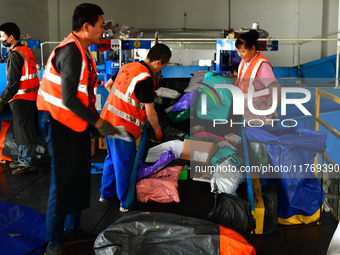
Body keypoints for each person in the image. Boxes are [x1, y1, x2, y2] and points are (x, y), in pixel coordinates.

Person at [37, 3, 118, 255]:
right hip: (58, 121)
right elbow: (70, 99)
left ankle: (72, 230)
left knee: (79, 177)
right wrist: (98, 123)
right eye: (101, 25)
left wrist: (91, 123)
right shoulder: (71, 52)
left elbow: (82, 96)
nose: (104, 30)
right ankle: (54, 243)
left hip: (73, 121)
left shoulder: (84, 52)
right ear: (86, 27)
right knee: (63, 182)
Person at [99, 43, 172, 212]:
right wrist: (158, 131)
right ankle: (126, 204)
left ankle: (106, 194)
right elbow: (150, 112)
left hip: (107, 120)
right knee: (125, 165)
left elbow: (108, 86)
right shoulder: (145, 78)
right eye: (163, 66)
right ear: (158, 62)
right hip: (122, 127)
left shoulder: (129, 66)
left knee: (111, 158)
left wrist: (122, 103)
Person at [0, 22, 39, 175]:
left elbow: (13, 84)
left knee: (24, 130)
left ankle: (28, 163)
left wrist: (2, 99)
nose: (1, 39)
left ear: (11, 37)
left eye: (2, 36)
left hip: (21, 98)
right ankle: (24, 159)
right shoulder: (25, 50)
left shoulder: (15, 55)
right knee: (23, 129)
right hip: (30, 97)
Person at [235, 30, 281, 125]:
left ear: (252, 48)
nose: (240, 54)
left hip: (260, 118)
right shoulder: (244, 62)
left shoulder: (262, 66)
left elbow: (275, 88)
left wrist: (271, 108)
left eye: (242, 51)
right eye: (238, 51)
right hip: (247, 115)